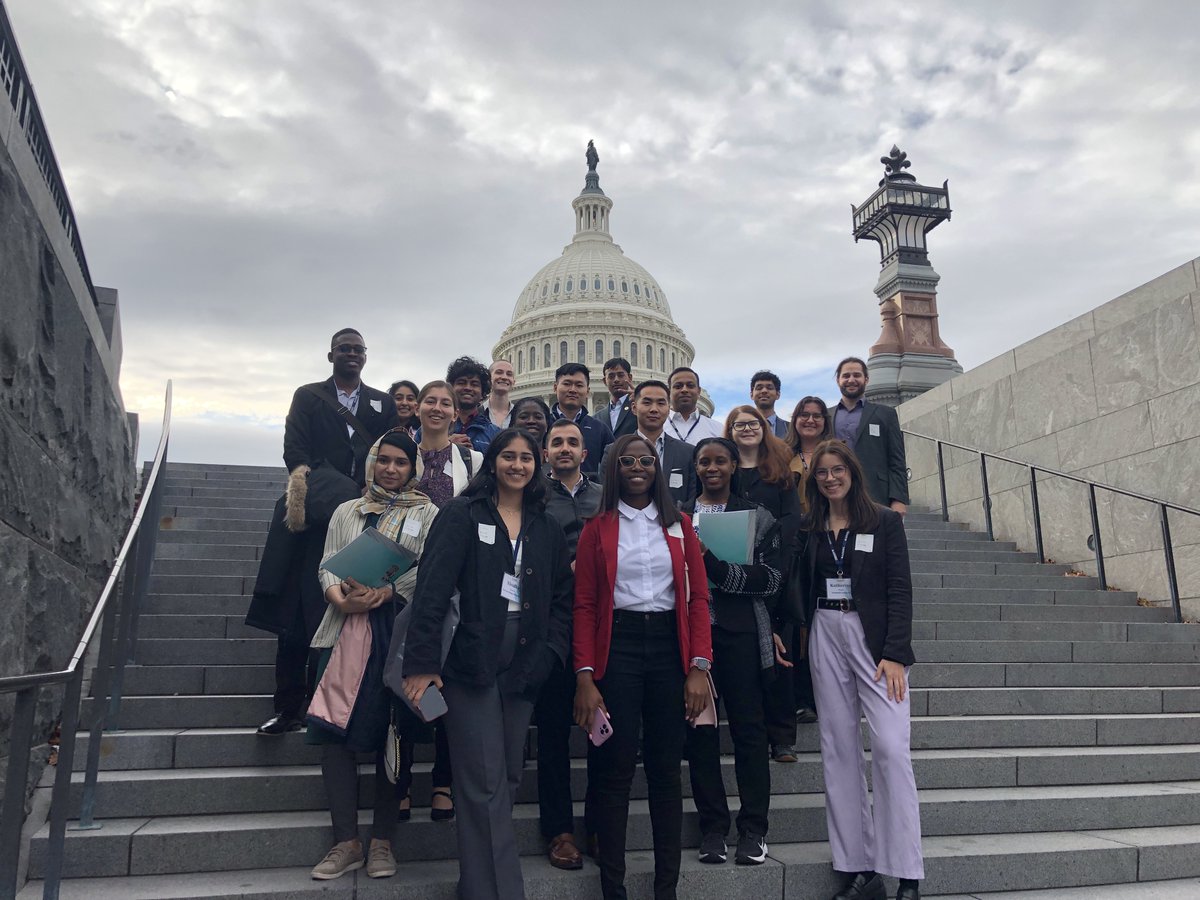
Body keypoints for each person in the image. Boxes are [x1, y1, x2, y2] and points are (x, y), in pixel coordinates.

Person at [402, 429, 574, 900]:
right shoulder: (463, 513)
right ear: (492, 462)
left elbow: (563, 599)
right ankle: (498, 891)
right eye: (507, 457)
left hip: (526, 661)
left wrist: (552, 653)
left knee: (507, 777)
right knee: (481, 779)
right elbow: (432, 591)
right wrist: (420, 664)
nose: (517, 465)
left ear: (536, 465)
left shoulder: (546, 524)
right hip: (471, 658)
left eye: (525, 458)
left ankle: (475, 881)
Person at [574, 433, 713, 900]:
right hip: (619, 648)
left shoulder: (680, 524)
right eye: (627, 461)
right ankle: (612, 887)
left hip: (670, 651)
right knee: (613, 770)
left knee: (664, 771)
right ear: (614, 469)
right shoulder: (599, 527)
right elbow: (586, 605)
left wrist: (698, 666)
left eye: (646, 460)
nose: (637, 467)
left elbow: (697, 599)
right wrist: (586, 675)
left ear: (657, 468)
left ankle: (665, 889)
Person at [248, 328, 399, 736]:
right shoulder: (308, 396)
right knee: (300, 611)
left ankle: (342, 706)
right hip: (316, 516)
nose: (351, 354)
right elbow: (294, 448)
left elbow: (388, 451)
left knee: (352, 611)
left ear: (366, 357)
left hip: (363, 518)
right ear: (330, 355)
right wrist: (320, 486)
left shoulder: (381, 402)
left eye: (357, 349)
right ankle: (289, 707)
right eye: (344, 349)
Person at [306, 430, 440, 880]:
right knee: (333, 736)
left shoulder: (428, 512)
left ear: (413, 468)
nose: (391, 469)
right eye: (384, 460)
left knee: (395, 731)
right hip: (343, 630)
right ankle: (345, 842)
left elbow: (430, 571)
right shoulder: (348, 510)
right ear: (371, 463)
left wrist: (387, 592)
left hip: (395, 634)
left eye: (401, 462)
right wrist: (338, 596)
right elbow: (327, 562)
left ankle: (383, 840)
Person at [796, 440, 923, 900]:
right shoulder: (811, 526)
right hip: (825, 630)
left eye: (837, 470)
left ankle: (906, 871)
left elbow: (900, 589)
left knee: (891, 749)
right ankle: (856, 865)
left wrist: (895, 652)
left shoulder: (883, 522)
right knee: (838, 749)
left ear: (852, 471)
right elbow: (800, 584)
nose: (830, 478)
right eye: (822, 474)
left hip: (874, 642)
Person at [683, 438, 783, 868]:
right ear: (695, 467)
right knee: (701, 734)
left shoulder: (759, 518)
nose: (712, 468)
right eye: (704, 461)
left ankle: (753, 829)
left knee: (748, 732)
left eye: (720, 460)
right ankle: (712, 828)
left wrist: (714, 567)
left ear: (732, 465)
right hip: (694, 644)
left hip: (740, 636)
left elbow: (772, 579)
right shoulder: (678, 517)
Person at [412, 379, 483, 820]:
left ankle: (442, 779)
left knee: (443, 683)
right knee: (402, 680)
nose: (438, 408)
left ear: (457, 413)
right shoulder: (394, 452)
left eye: (446, 403)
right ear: (417, 408)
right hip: (399, 581)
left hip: (451, 586)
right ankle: (398, 779)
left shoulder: (470, 461)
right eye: (430, 401)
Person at [537, 417, 603, 870]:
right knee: (554, 733)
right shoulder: (533, 497)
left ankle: (598, 821)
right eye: (556, 442)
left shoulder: (606, 495)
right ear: (546, 453)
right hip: (554, 622)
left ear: (585, 452)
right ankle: (559, 830)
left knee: (604, 731)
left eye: (572, 442)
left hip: (605, 624)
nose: (564, 448)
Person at [724, 404, 801, 762]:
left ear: (763, 427)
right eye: (739, 425)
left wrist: (777, 566)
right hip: (736, 573)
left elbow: (790, 521)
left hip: (775, 571)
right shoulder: (725, 470)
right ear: (730, 430)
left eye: (752, 423)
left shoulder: (779, 472)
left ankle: (782, 736)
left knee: (780, 655)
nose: (747, 429)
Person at [784, 395, 832, 724]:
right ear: (795, 419)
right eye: (804, 415)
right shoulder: (782, 455)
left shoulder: (836, 454)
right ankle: (800, 697)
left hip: (829, 541)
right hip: (794, 543)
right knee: (797, 621)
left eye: (817, 415)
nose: (810, 420)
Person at [599, 380, 697, 507]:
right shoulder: (614, 451)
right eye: (647, 403)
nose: (654, 409)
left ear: (668, 409)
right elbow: (607, 494)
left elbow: (692, 498)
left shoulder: (687, 453)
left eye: (661, 403)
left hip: (673, 523)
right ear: (634, 408)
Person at [831, 357, 908, 516]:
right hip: (834, 492)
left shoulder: (885, 414)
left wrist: (898, 499)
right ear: (838, 380)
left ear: (866, 379)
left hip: (875, 493)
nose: (851, 380)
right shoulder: (826, 415)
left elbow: (897, 460)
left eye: (857, 375)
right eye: (846, 376)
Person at [551, 362, 615, 475]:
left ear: (587, 391)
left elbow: (612, 467)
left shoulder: (599, 429)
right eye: (567, 384)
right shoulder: (544, 425)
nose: (572, 390)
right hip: (548, 491)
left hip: (588, 491)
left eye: (579, 385)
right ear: (555, 387)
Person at [444, 355, 501, 453]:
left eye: (474, 384)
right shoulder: (431, 427)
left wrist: (474, 459)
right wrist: (446, 447)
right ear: (451, 387)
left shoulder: (495, 434)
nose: (468, 388)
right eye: (462, 383)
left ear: (482, 393)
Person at [666, 367, 722, 445]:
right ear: (669, 392)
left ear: (698, 391)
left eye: (690, 386)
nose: (684, 390)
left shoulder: (718, 429)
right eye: (678, 386)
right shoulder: (657, 427)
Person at [601, 356, 638, 437]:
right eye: (611, 376)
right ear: (604, 381)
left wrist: (640, 400)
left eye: (621, 375)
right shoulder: (598, 417)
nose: (616, 380)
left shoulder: (638, 408)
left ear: (630, 378)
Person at [750, 370, 788, 439]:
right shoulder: (740, 428)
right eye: (759, 388)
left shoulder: (790, 429)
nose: (764, 391)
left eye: (769, 388)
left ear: (778, 394)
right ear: (751, 394)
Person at [481, 359, 516, 428]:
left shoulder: (519, 415)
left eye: (509, 374)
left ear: (513, 382)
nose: (504, 377)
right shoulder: (477, 414)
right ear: (488, 379)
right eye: (499, 372)